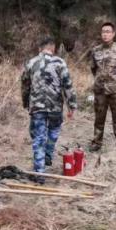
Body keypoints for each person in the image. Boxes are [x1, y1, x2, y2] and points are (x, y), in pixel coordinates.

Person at [20, 36, 77, 174]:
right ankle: (48, 153)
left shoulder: (31, 63)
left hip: (37, 107)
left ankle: (39, 171)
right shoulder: (60, 63)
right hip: (55, 107)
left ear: (40, 48)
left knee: (39, 137)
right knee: (54, 130)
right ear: (53, 48)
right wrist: (72, 106)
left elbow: (25, 85)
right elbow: (67, 85)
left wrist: (26, 102)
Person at [87, 21, 116, 152]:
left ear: (113, 34)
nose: (105, 34)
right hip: (100, 90)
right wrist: (100, 80)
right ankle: (96, 143)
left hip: (115, 90)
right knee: (99, 118)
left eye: (108, 32)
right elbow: (93, 68)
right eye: (103, 32)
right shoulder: (95, 50)